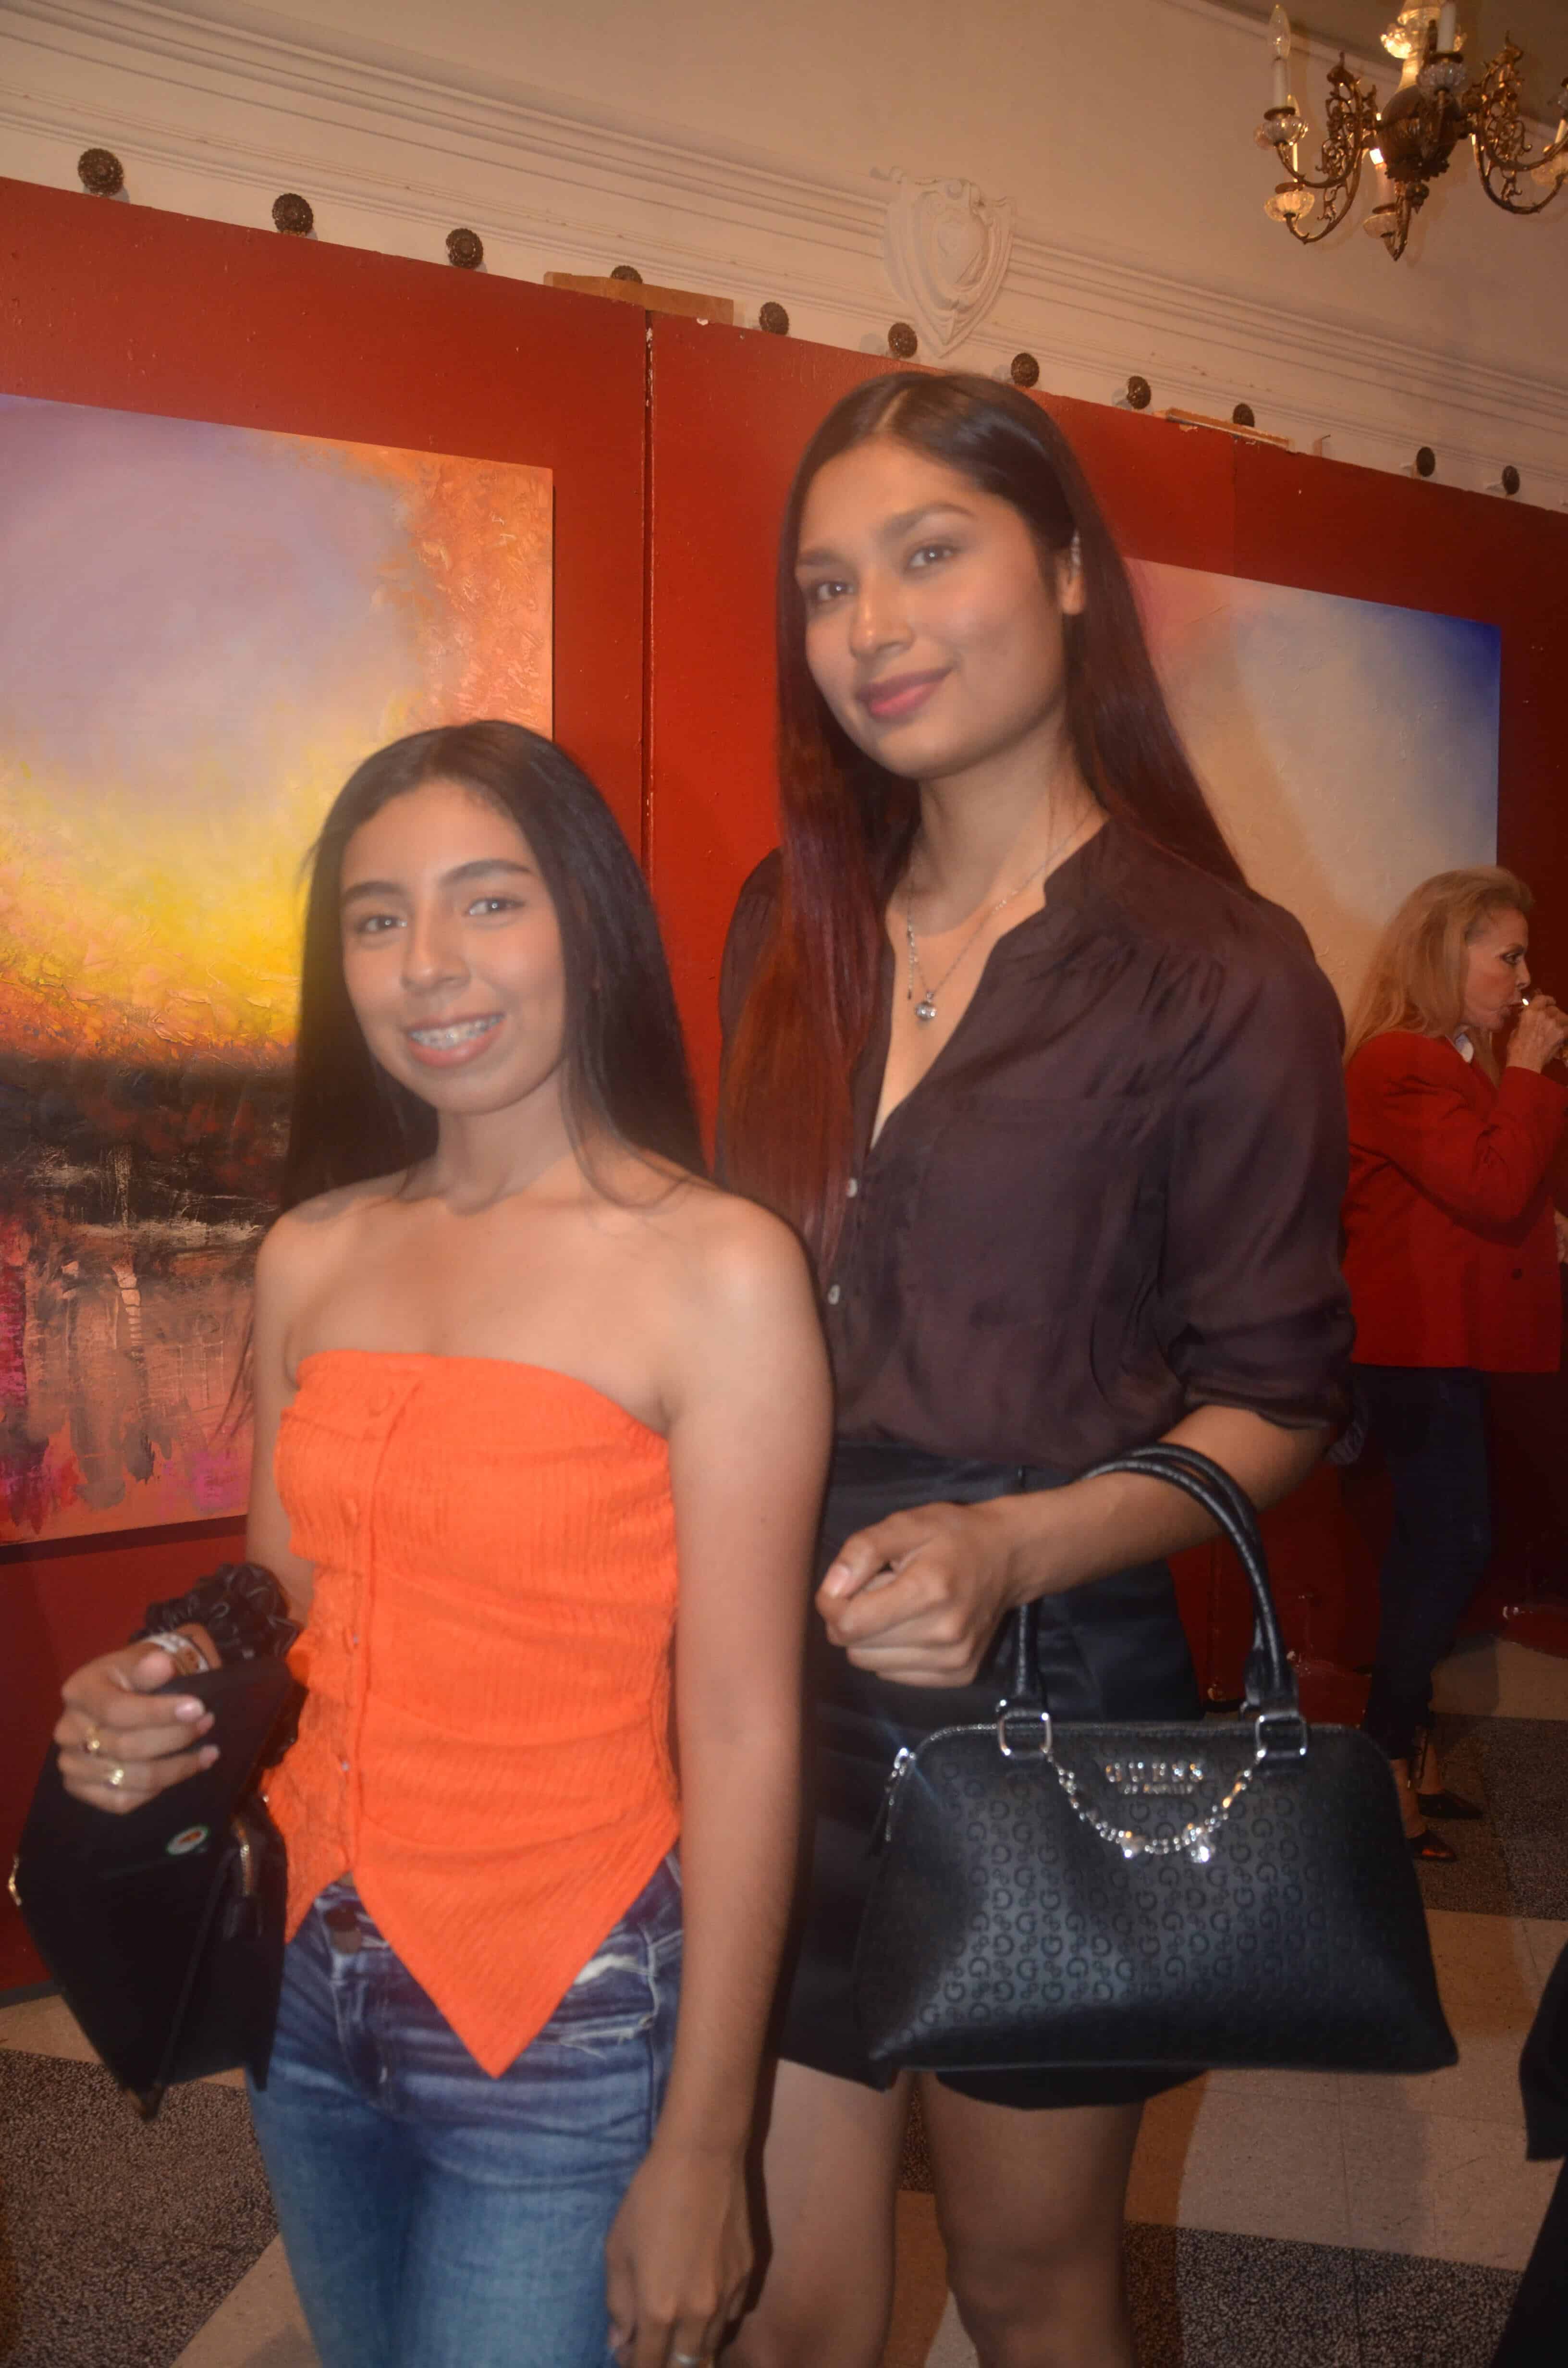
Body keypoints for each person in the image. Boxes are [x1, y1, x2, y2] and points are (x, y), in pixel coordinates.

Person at [52, 722, 832, 2368]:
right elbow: (278, 1600)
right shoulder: (314, 1252)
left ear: (589, 927)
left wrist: (710, 2139)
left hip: (566, 1995)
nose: (427, 965)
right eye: (377, 917)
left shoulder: (717, 1269)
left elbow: (746, 1726)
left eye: (489, 900)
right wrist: (166, 1667)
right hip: (304, 1976)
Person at [717, 372, 1352, 2368]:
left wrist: (1011, 1548)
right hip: (770, 1681)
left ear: (1069, 571)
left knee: (1028, 2279)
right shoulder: (785, 921)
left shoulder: (1221, 968)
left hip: (1055, 1686)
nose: (871, 626)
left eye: (928, 554)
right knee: (784, 2299)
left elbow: (1279, 1399)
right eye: (829, 583)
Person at [1340, 868, 1568, 1862]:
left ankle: (1410, 1740)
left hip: (1447, 1341)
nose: (1523, 980)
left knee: (1435, 1544)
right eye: (1507, 956)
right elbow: (1493, 1182)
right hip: (1410, 1346)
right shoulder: (1399, 1060)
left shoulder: (1451, 1060)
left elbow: (1487, 1194)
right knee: (1454, 1541)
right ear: (1447, 951)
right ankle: (1384, 1751)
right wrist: (1532, 1069)